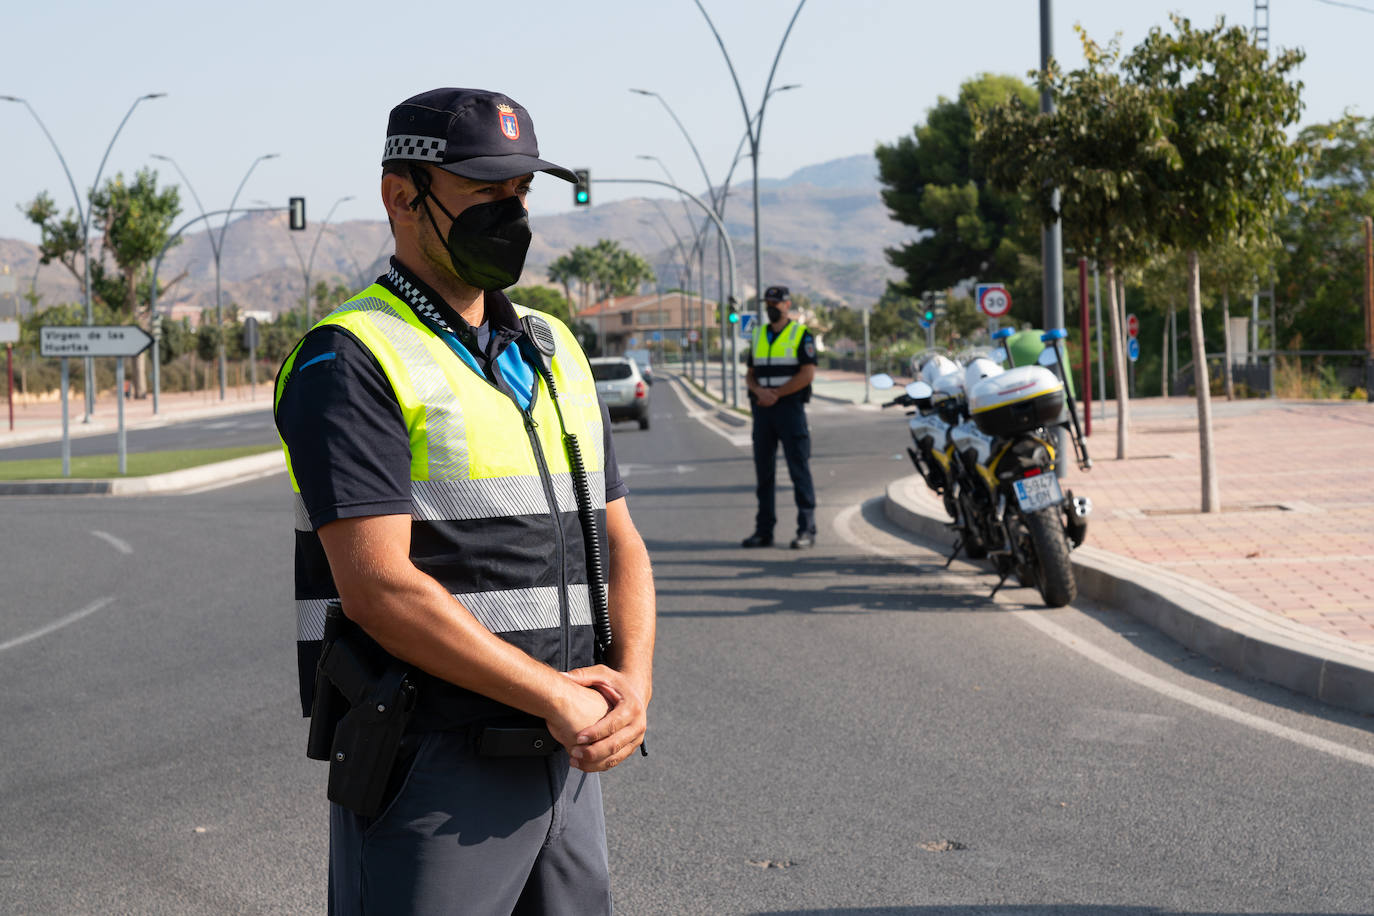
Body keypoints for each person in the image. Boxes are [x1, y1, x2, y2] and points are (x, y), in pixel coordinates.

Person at [272, 88, 655, 915]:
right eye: (486, 193)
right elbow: (379, 588)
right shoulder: (348, 358)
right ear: (401, 196)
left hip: (565, 757)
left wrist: (631, 687)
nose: (510, 214)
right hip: (434, 768)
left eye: (520, 194)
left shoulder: (552, 347)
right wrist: (559, 698)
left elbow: (620, 539)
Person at [741, 285, 818, 549]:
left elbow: (807, 374)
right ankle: (764, 531)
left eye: (776, 303)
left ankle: (806, 529)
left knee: (799, 470)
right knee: (764, 474)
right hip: (763, 410)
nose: (771, 307)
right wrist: (758, 391)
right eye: (767, 303)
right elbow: (750, 373)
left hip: (790, 410)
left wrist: (777, 394)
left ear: (787, 305)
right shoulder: (759, 335)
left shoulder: (801, 334)